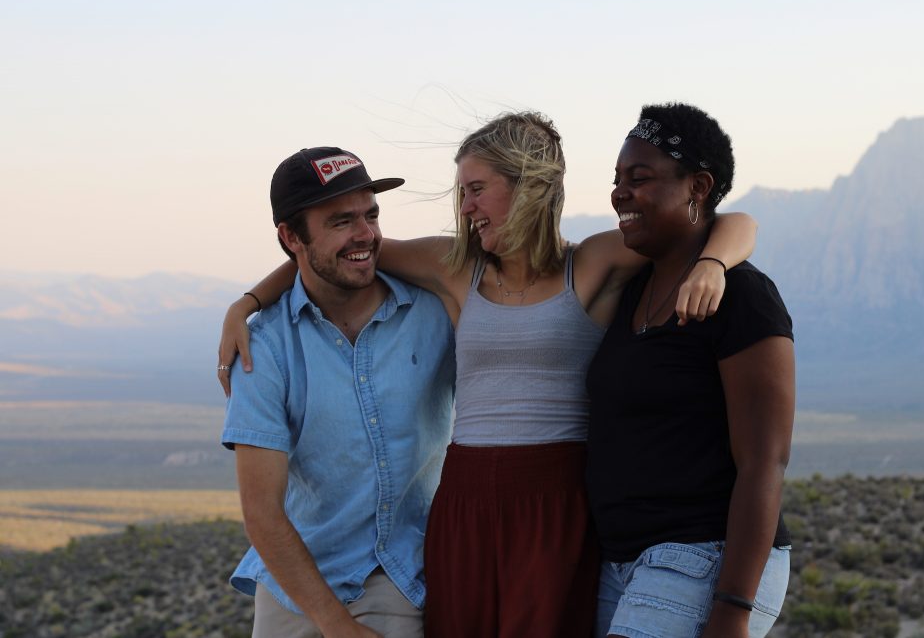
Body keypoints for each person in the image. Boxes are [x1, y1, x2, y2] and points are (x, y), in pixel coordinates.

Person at [218, 113, 759, 637]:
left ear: (529, 187)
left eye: (477, 189)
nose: (465, 206)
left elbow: (724, 224)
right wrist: (246, 304)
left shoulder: (593, 262)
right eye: (463, 192)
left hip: (557, 502)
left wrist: (712, 264)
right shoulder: (456, 268)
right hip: (464, 501)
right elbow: (339, 254)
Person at [221, 147, 455, 638]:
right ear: (291, 237)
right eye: (341, 221)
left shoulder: (435, 311)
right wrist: (337, 626)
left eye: (371, 214)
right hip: (293, 580)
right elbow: (261, 512)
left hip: (396, 576)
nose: (365, 234)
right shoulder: (263, 347)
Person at [585, 103, 795, 638]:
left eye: (639, 178)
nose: (619, 193)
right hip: (620, 562)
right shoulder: (631, 289)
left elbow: (764, 462)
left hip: (705, 555)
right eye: (616, 179)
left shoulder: (743, 296)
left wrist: (733, 608)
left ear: (697, 187)